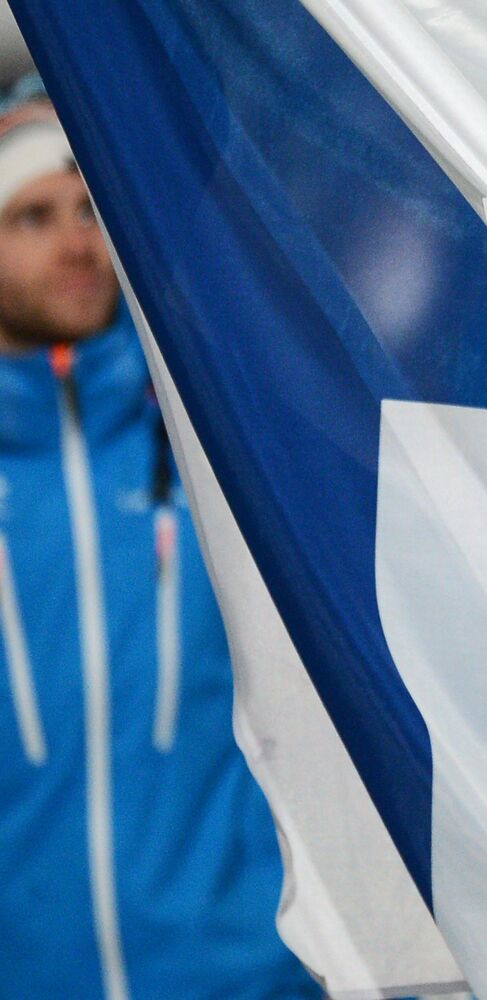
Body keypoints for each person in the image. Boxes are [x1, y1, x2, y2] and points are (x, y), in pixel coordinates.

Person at [0, 87, 318, 997]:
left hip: (243, 973)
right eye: (32, 216)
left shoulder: (219, 437)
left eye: (94, 211)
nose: (76, 244)